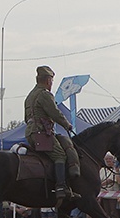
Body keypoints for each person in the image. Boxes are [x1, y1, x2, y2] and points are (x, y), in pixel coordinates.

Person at [24, 65, 79, 200]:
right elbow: (55, 113)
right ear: (48, 80)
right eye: (51, 81)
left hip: (30, 132)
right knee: (60, 155)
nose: (51, 84)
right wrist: (67, 125)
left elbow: (26, 117)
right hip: (41, 133)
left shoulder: (30, 96)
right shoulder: (44, 94)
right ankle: (61, 186)